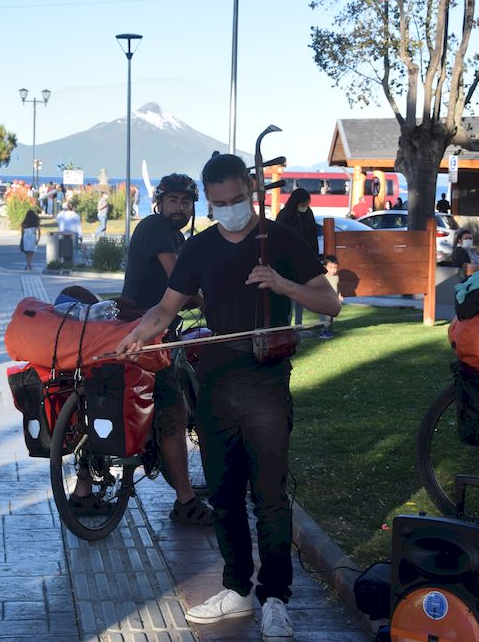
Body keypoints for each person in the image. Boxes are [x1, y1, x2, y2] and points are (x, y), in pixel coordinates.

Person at [116, 153, 340, 641]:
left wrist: (281, 283)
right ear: (209, 201)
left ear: (251, 193)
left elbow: (331, 302)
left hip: (265, 381)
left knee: (271, 497)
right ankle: (237, 588)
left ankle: (276, 598)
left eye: (237, 200)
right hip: (215, 383)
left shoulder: (280, 240)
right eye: (219, 203)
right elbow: (164, 309)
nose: (229, 210)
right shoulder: (198, 249)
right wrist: (138, 334)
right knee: (224, 493)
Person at [120, 173, 212, 525]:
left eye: (186, 201)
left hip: (134, 327)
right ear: (159, 202)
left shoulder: (171, 233)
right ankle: (186, 501)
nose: (180, 207)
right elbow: (179, 279)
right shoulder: (158, 228)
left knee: (118, 401)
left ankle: (85, 488)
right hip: (148, 333)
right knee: (172, 413)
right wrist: (206, 301)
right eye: (173, 200)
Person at [276, 187, 320, 326]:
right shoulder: (284, 215)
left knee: (301, 295)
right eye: (303, 205)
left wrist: (314, 256)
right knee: (288, 295)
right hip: (287, 262)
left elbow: (312, 235)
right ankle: (287, 325)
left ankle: (299, 325)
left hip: (303, 260)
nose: (305, 207)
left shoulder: (308, 214)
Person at [319, 255, 343, 339]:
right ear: (325, 267)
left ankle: (330, 330)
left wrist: (339, 295)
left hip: (334, 301)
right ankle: (323, 332)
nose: (333, 270)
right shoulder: (323, 277)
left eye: (335, 268)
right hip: (325, 301)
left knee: (332, 317)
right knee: (326, 318)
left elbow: (337, 288)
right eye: (331, 267)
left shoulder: (336, 277)